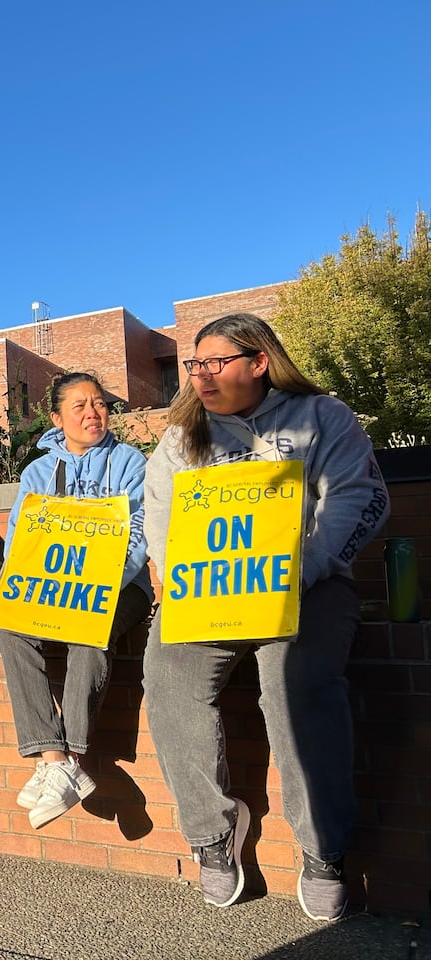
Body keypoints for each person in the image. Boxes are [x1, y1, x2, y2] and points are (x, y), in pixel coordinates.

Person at [142, 313, 389, 921]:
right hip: (208, 593)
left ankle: (323, 848)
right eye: (194, 364)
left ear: (259, 362)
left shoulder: (322, 417)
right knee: (168, 682)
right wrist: (174, 577)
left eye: (214, 362)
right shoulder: (181, 437)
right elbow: (161, 517)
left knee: (296, 687)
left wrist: (302, 567)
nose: (199, 375)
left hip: (307, 588)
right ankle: (210, 835)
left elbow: (359, 497)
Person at [0, 374, 153, 828]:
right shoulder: (38, 473)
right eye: (80, 406)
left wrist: (103, 586)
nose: (93, 413)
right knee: (12, 635)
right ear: (57, 418)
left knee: (90, 631)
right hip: (54, 591)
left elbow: (139, 533)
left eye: (100, 404)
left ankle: (70, 756)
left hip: (122, 589)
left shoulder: (129, 463)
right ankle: (54, 757)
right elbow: (20, 545)